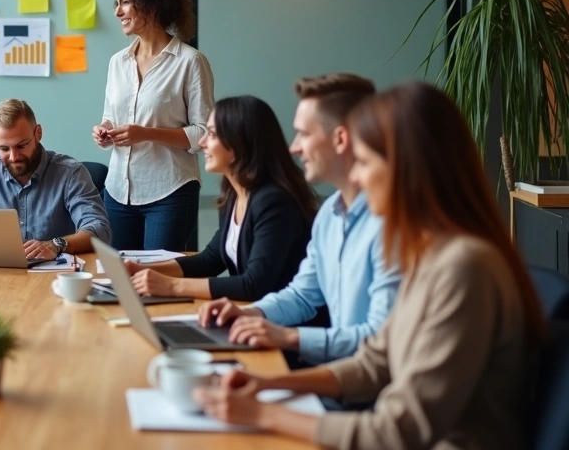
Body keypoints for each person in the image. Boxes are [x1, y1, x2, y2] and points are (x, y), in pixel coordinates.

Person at [194, 82, 546, 449]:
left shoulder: (463, 267)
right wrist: (267, 385)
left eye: (363, 163)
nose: (357, 179)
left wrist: (262, 413)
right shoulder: (429, 254)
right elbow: (374, 364)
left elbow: (399, 431)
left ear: (405, 166)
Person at [199, 74, 401, 367]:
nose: (294, 147)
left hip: (363, 388)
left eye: (304, 134)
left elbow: (378, 339)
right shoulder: (330, 214)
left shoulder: (390, 226)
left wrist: (289, 338)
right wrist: (251, 314)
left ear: (340, 139)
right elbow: (303, 295)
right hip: (337, 373)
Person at [127, 95, 316, 301]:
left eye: (212, 135)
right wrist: (141, 270)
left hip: (285, 326)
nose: (202, 142)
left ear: (239, 143)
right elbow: (210, 260)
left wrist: (172, 286)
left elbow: (255, 285)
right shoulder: (234, 194)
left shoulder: (275, 201)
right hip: (252, 318)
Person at [93, 0, 214, 252]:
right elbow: (111, 115)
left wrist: (145, 133)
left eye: (124, 2)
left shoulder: (190, 62)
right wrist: (105, 130)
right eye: (117, 3)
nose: (117, 12)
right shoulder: (117, 62)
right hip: (118, 192)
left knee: (157, 283)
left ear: (149, 4)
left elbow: (205, 133)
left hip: (170, 192)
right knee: (119, 279)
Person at [0, 99, 111, 259]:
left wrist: (56, 245)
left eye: (21, 145)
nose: (14, 157)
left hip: (53, 278)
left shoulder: (70, 173)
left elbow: (100, 230)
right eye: (3, 149)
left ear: (37, 133)